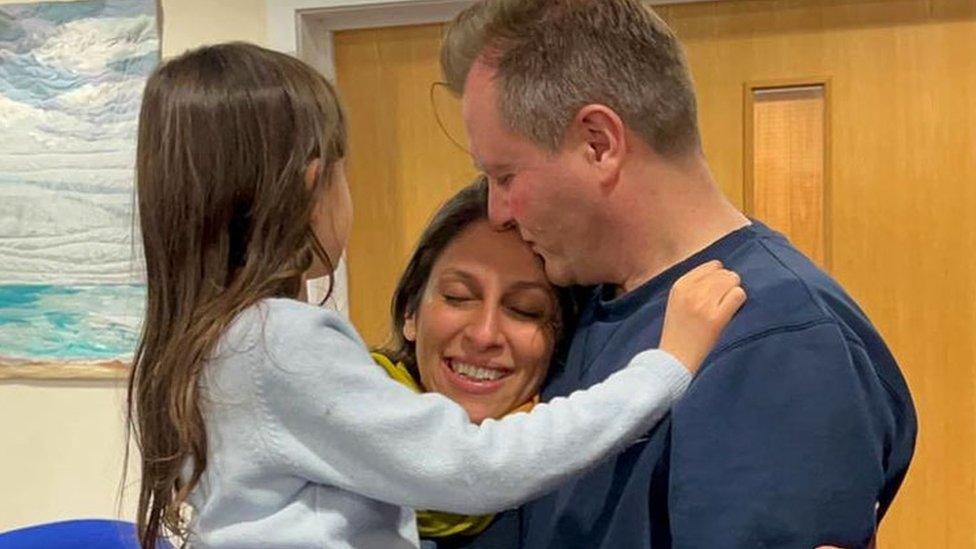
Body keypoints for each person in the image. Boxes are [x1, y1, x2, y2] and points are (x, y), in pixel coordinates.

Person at [125, 42, 747, 549]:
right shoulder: (279, 342)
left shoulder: (210, 343)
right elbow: (473, 466)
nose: (485, 332)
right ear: (312, 184)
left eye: (526, 309)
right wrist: (664, 368)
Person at [440, 1, 917, 548]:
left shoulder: (775, 341)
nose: (497, 211)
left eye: (505, 175)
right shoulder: (591, 305)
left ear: (599, 143)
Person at [373, 177, 577, 541]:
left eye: (524, 310)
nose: (484, 335)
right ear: (410, 313)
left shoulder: (575, 490)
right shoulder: (322, 446)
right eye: (458, 296)